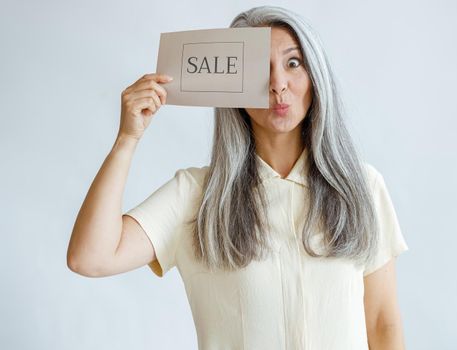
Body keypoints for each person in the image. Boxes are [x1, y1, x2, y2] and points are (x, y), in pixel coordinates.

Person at [66, 5, 409, 350]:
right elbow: (90, 258)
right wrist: (127, 139)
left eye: (293, 63)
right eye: (260, 68)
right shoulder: (196, 196)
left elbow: (382, 325)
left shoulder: (362, 187)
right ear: (232, 85)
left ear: (315, 74)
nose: (278, 84)